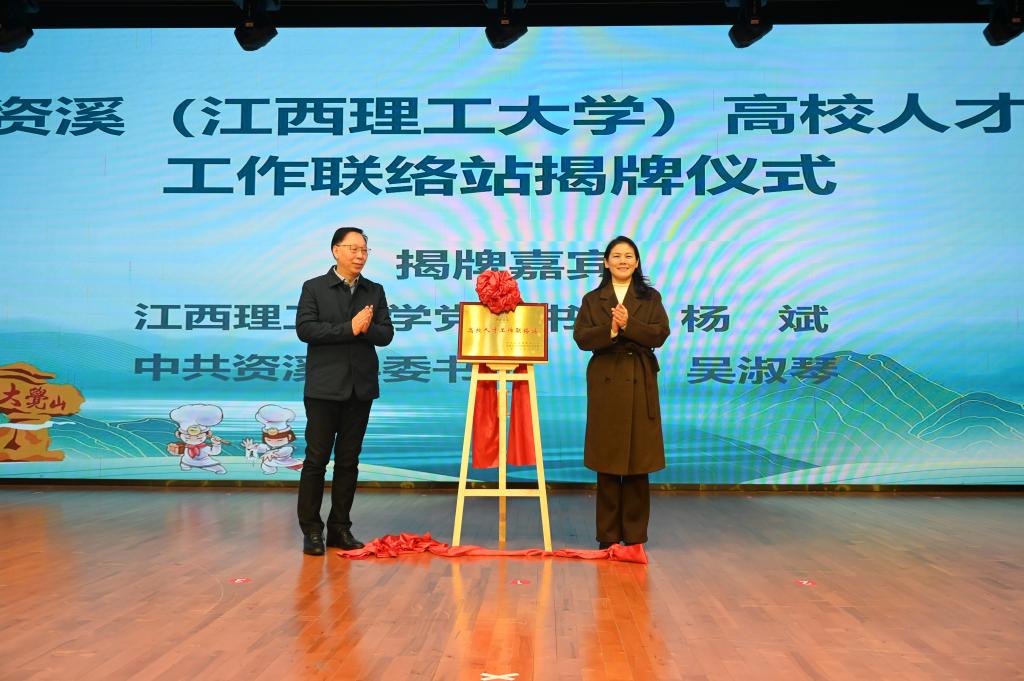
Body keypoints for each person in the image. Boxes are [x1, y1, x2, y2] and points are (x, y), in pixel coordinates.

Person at [295, 227, 394, 556]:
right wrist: (349, 328)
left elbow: (386, 334)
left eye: (364, 250)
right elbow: (306, 329)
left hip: (360, 389)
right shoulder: (314, 287)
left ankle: (340, 528)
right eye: (353, 249)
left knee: (349, 462)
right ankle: (312, 530)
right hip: (324, 389)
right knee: (316, 461)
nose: (360, 255)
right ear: (336, 250)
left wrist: (365, 329)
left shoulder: (374, 290)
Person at [573, 236, 670, 549]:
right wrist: (612, 330)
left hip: (640, 380)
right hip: (606, 383)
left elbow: (660, 333)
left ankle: (635, 537)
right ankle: (608, 537)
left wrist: (630, 324)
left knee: (638, 464)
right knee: (608, 463)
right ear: (606, 262)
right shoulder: (593, 299)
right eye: (616, 256)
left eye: (629, 256)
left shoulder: (650, 297)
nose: (623, 261)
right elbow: (582, 338)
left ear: (637, 262)